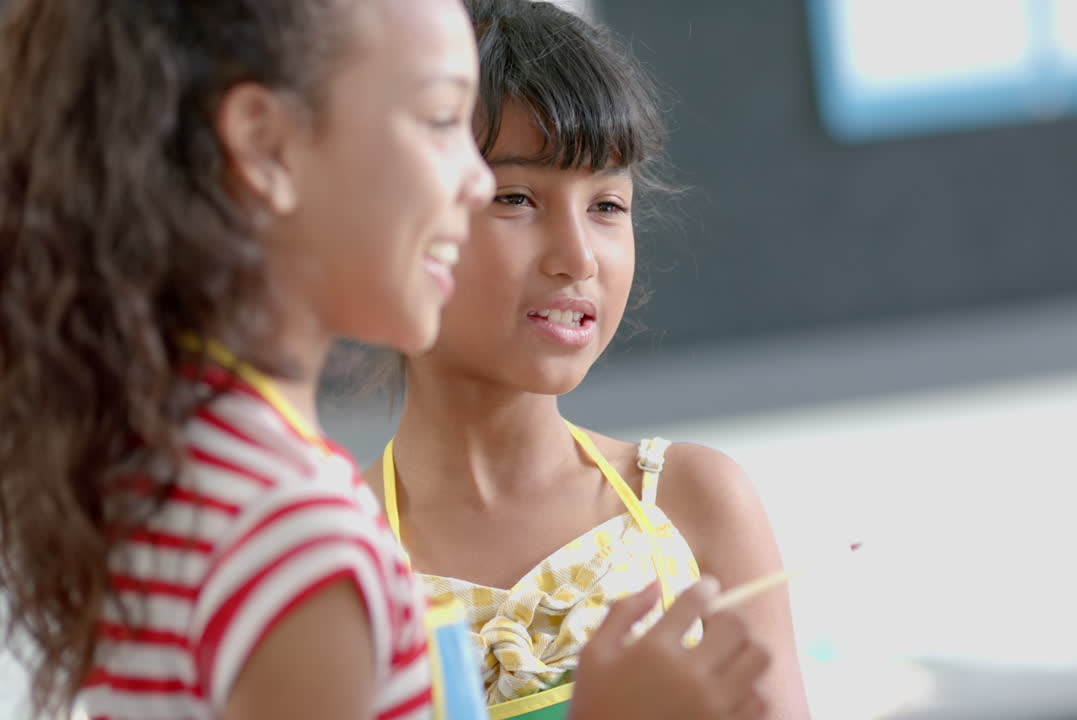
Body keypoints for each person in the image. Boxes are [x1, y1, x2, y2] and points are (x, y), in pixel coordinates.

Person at [0, 1, 768, 719]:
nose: (469, 178)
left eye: (607, 204)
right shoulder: (299, 537)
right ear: (267, 146)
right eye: (440, 122)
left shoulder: (183, 475)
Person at [366, 1, 809, 718]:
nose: (576, 259)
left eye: (607, 206)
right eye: (516, 199)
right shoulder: (340, 559)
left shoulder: (694, 505)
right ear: (404, 218)